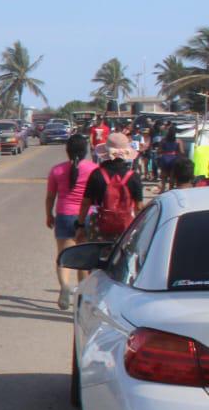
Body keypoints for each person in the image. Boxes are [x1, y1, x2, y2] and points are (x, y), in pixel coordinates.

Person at [46, 134, 95, 311]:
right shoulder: (93, 169)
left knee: (64, 257)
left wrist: (49, 215)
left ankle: (65, 287)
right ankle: (81, 297)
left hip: (64, 215)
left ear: (67, 151)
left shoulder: (57, 170)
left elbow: (50, 197)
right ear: (85, 151)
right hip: (86, 217)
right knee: (84, 259)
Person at [79, 133, 145, 243]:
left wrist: (80, 226)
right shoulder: (134, 177)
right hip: (125, 228)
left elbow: (86, 203)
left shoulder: (96, 174)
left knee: (97, 256)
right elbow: (138, 207)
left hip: (100, 226)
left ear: (105, 153)